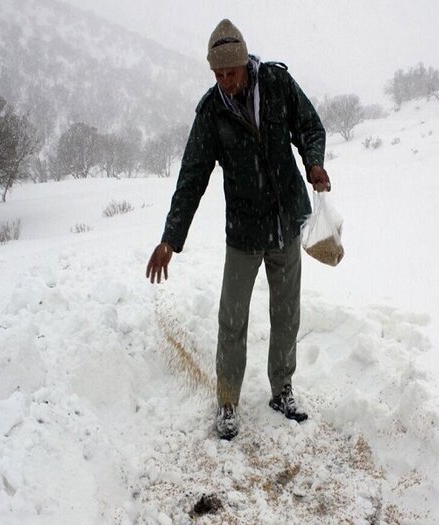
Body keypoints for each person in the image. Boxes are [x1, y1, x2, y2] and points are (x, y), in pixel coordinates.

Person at [146, 19, 331, 440]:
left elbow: (309, 126)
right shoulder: (212, 112)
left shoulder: (277, 84)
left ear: (245, 62)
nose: (225, 81)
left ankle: (282, 390)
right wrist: (170, 239)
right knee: (232, 320)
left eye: (230, 72)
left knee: (286, 315)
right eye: (217, 74)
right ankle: (227, 403)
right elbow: (192, 175)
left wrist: (314, 161)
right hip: (244, 231)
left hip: (286, 220)